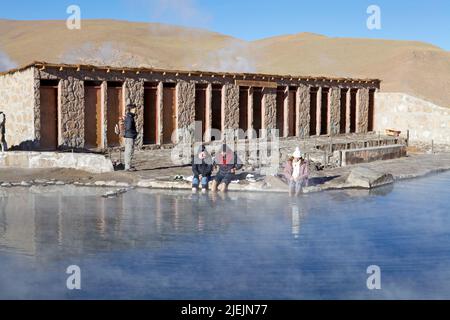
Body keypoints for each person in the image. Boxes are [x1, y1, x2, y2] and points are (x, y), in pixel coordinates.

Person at [123, 104, 138, 172]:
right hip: (130, 137)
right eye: (134, 109)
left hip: (129, 136)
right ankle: (127, 167)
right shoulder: (129, 117)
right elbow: (128, 127)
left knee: (130, 151)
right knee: (129, 151)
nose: (136, 110)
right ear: (131, 109)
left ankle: (128, 165)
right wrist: (134, 133)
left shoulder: (129, 116)